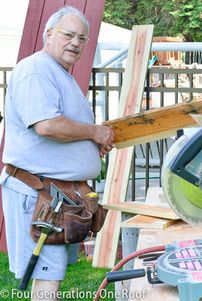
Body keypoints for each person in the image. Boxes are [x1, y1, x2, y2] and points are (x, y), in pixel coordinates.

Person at [0, 6, 114, 301]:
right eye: (69, 35)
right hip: (39, 195)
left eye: (82, 38)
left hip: (59, 196)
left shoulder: (58, 73)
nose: (76, 42)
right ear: (48, 34)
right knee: (47, 278)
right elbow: (48, 125)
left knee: (52, 275)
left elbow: (63, 127)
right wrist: (94, 133)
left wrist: (89, 145)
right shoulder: (36, 70)